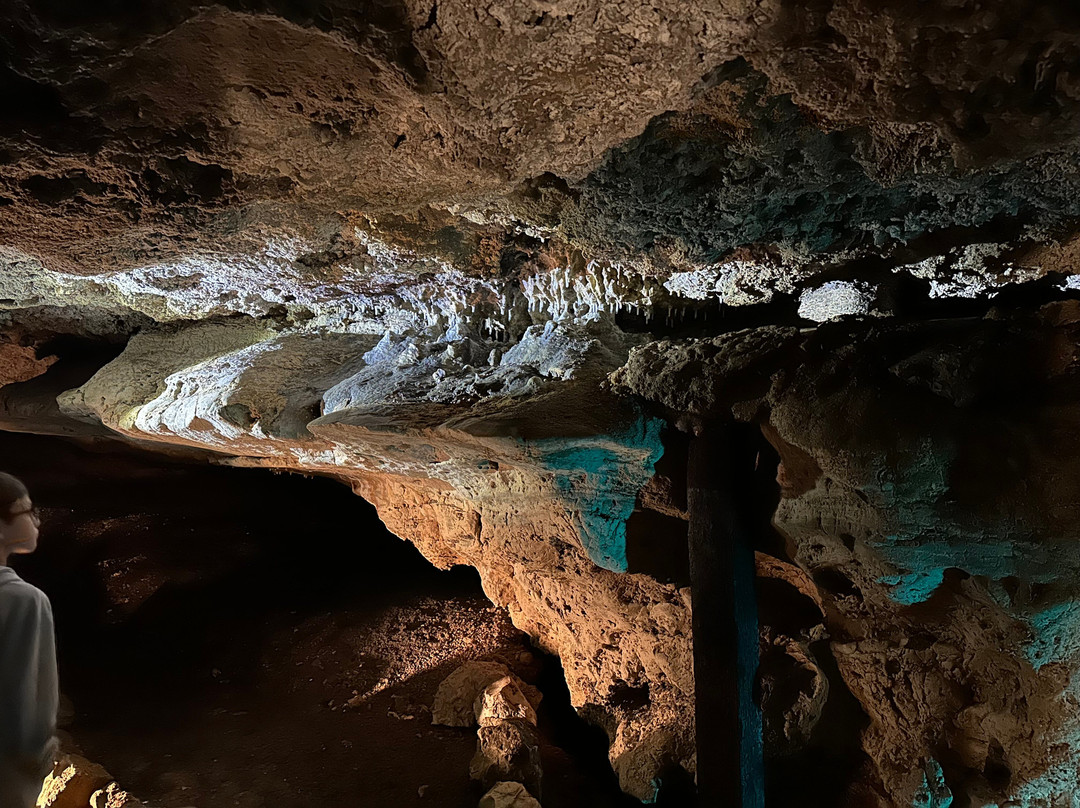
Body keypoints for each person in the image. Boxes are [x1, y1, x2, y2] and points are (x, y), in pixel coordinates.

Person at [0, 473, 58, 808]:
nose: (36, 519)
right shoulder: (24, 601)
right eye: (26, 511)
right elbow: (30, 704)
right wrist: (39, 758)